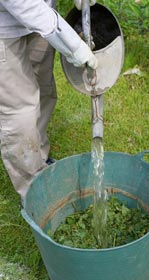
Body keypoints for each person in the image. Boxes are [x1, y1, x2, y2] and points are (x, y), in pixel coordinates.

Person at [0, 0, 97, 200]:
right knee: (21, 110)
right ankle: (34, 191)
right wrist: (71, 44)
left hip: (42, 14)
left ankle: (38, 160)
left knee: (44, 91)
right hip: (5, 24)